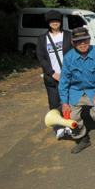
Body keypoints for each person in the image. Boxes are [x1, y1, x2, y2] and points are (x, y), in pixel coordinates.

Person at [59, 27, 95, 154]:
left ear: (89, 39)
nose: (82, 44)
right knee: (71, 117)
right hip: (75, 92)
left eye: (85, 40)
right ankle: (83, 138)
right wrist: (64, 102)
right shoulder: (68, 57)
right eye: (78, 41)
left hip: (94, 90)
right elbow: (64, 81)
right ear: (72, 43)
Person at [36, 10, 73, 138]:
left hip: (68, 75)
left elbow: (74, 54)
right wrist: (52, 73)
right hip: (52, 77)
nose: (54, 23)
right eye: (51, 21)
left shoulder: (68, 35)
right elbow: (42, 58)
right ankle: (58, 126)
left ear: (60, 21)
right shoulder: (42, 39)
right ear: (48, 23)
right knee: (54, 102)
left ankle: (69, 124)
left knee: (69, 101)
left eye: (56, 20)